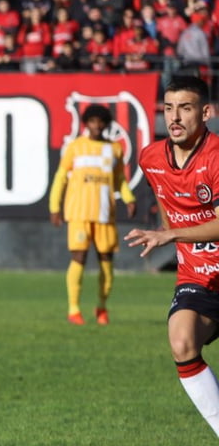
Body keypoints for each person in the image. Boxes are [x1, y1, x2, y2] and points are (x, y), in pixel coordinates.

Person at [125, 75, 219, 446]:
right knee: (181, 342)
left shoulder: (217, 156)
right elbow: (167, 202)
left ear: (206, 112)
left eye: (185, 107)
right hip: (199, 275)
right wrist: (169, 235)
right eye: (168, 108)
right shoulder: (150, 157)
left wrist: (172, 234)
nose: (175, 117)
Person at [48, 104, 137, 325]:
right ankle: (74, 309)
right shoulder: (75, 147)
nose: (97, 125)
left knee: (106, 261)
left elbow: (119, 180)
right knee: (78, 257)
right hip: (79, 212)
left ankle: (102, 307)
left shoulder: (114, 149)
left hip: (105, 214)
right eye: (92, 121)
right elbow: (60, 176)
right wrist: (54, 206)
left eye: (101, 121)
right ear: (86, 123)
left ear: (106, 124)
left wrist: (128, 198)